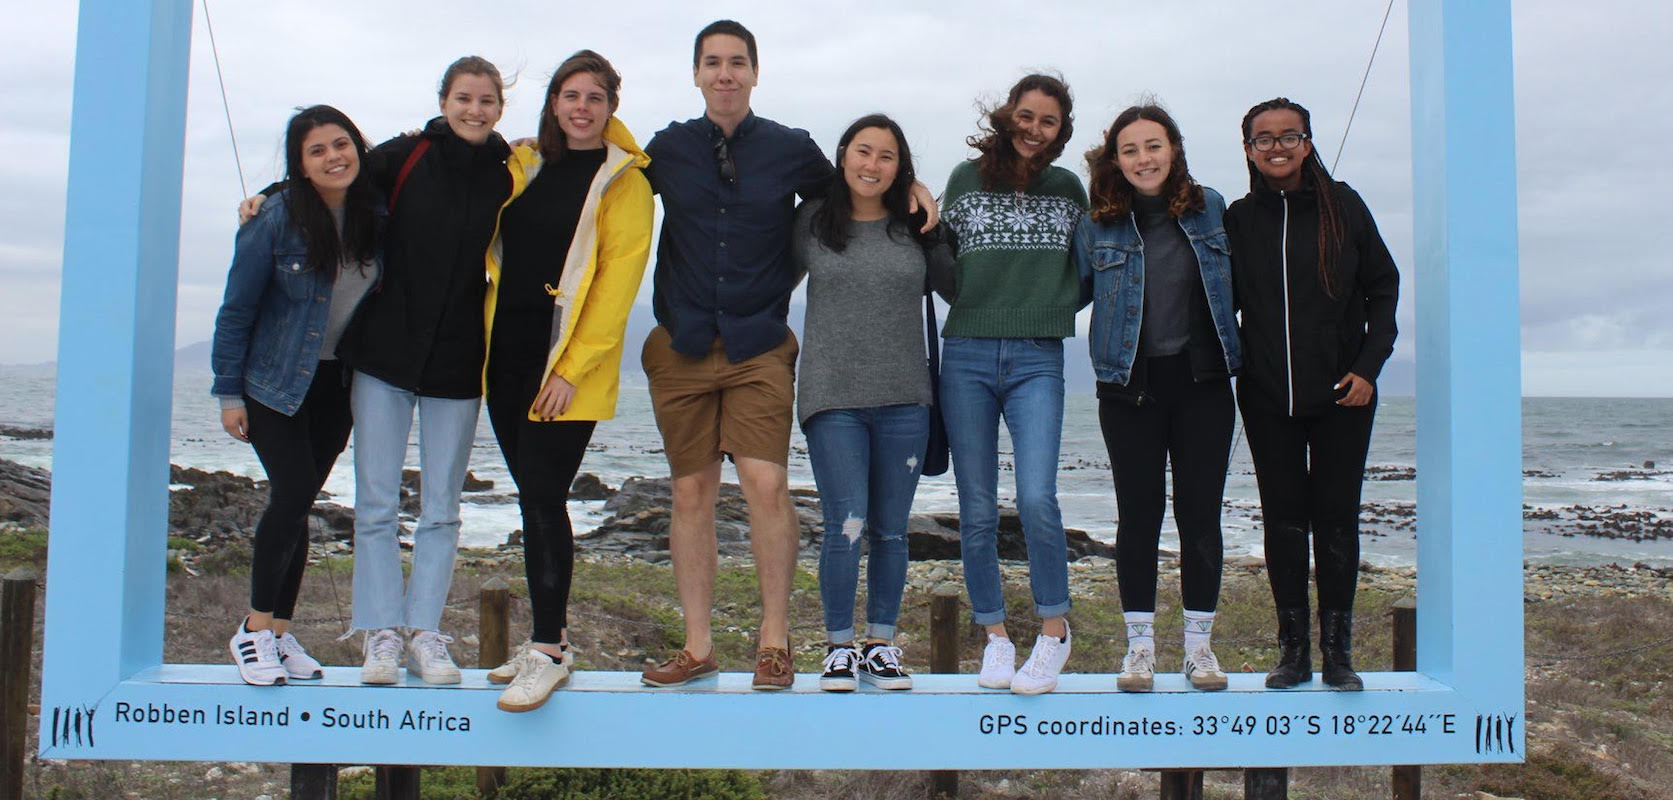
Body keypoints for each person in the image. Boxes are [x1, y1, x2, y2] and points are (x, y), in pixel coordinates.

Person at [636, 20, 938, 692]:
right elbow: (614, 201)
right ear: (695, 73)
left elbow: (856, 187)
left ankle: (774, 643)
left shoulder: (788, 148)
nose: (724, 74)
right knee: (690, 494)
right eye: (712, 63)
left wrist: (912, 191)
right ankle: (697, 646)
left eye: (736, 62)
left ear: (754, 71)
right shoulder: (668, 148)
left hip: (757, 343)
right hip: (681, 341)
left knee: (767, 486)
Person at [241, 56, 515, 685]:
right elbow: (333, 179)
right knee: (375, 504)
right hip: (383, 354)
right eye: (463, 98)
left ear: (501, 106)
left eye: (486, 101)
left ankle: (427, 634)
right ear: (443, 99)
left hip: (457, 359)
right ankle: (381, 636)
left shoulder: (511, 168)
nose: (474, 110)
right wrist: (271, 196)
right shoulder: (406, 153)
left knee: (443, 509)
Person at [479, 50, 653, 712]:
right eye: (570, 95)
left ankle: (550, 649)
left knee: (546, 496)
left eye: (595, 97)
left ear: (612, 106)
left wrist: (570, 370)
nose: (581, 107)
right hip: (505, 358)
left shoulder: (625, 181)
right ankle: (543, 644)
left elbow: (616, 285)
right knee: (530, 496)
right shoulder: (523, 165)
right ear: (554, 101)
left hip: (565, 370)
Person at [1225, 97, 1399, 691]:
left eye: (1289, 136)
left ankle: (1338, 653)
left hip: (1343, 395)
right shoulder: (1240, 219)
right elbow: (1219, 302)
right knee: (1283, 522)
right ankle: (1293, 652)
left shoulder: (1344, 205)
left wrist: (1369, 368)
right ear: (1248, 149)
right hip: (1267, 395)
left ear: (1307, 142)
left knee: (1336, 520)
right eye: (1263, 138)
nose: (1277, 147)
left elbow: (1384, 287)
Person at [1071, 103, 1241, 693]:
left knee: (1200, 517)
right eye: (1131, 149)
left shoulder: (1211, 208)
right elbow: (1065, 293)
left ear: (1174, 149)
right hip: (1128, 388)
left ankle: (1200, 649)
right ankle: (1138, 650)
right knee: (1138, 518)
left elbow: (1248, 289)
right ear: (1115, 160)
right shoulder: (1098, 224)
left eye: (1154, 145)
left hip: (1204, 385)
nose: (1144, 158)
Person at [212, 105, 382, 686]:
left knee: (300, 504)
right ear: (300, 164)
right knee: (288, 496)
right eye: (317, 150)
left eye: (342, 144)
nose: (334, 156)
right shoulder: (275, 218)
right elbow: (236, 310)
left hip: (337, 385)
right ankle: (254, 632)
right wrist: (228, 393)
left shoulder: (375, 211)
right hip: (275, 384)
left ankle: (279, 636)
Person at [792, 114, 952, 692]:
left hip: (906, 398)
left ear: (900, 167)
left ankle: (881, 644)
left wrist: (931, 222)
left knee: (889, 530)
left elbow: (953, 287)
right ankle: (838, 647)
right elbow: (766, 281)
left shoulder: (913, 224)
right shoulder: (811, 221)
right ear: (842, 155)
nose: (872, 165)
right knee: (845, 524)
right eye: (864, 151)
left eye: (887, 157)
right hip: (831, 397)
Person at [939, 73, 1087, 695]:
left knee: (1035, 498)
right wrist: (975, 306)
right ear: (1007, 116)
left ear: (1060, 131)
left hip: (1036, 358)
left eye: (1047, 121)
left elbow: (1086, 273)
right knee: (975, 508)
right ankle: (995, 638)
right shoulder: (963, 180)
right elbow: (941, 261)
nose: (1033, 129)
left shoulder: (1068, 188)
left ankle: (1054, 631)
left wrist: (1048, 311)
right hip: (966, 353)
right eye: (1025, 116)